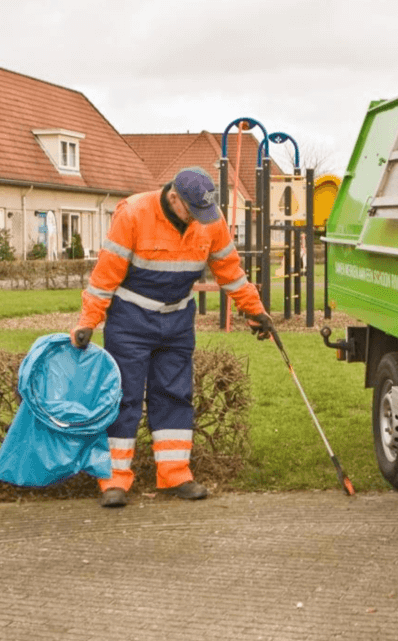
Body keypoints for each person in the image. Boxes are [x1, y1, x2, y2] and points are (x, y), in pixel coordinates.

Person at [70, 166, 274, 508]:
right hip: (130, 320)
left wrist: (255, 310)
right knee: (123, 398)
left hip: (178, 319)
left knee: (176, 395)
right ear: (173, 196)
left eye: (203, 213)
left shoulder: (210, 218)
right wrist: (89, 321)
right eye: (191, 211)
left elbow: (229, 270)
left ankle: (175, 473)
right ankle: (114, 479)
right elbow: (105, 277)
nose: (198, 219)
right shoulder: (133, 213)